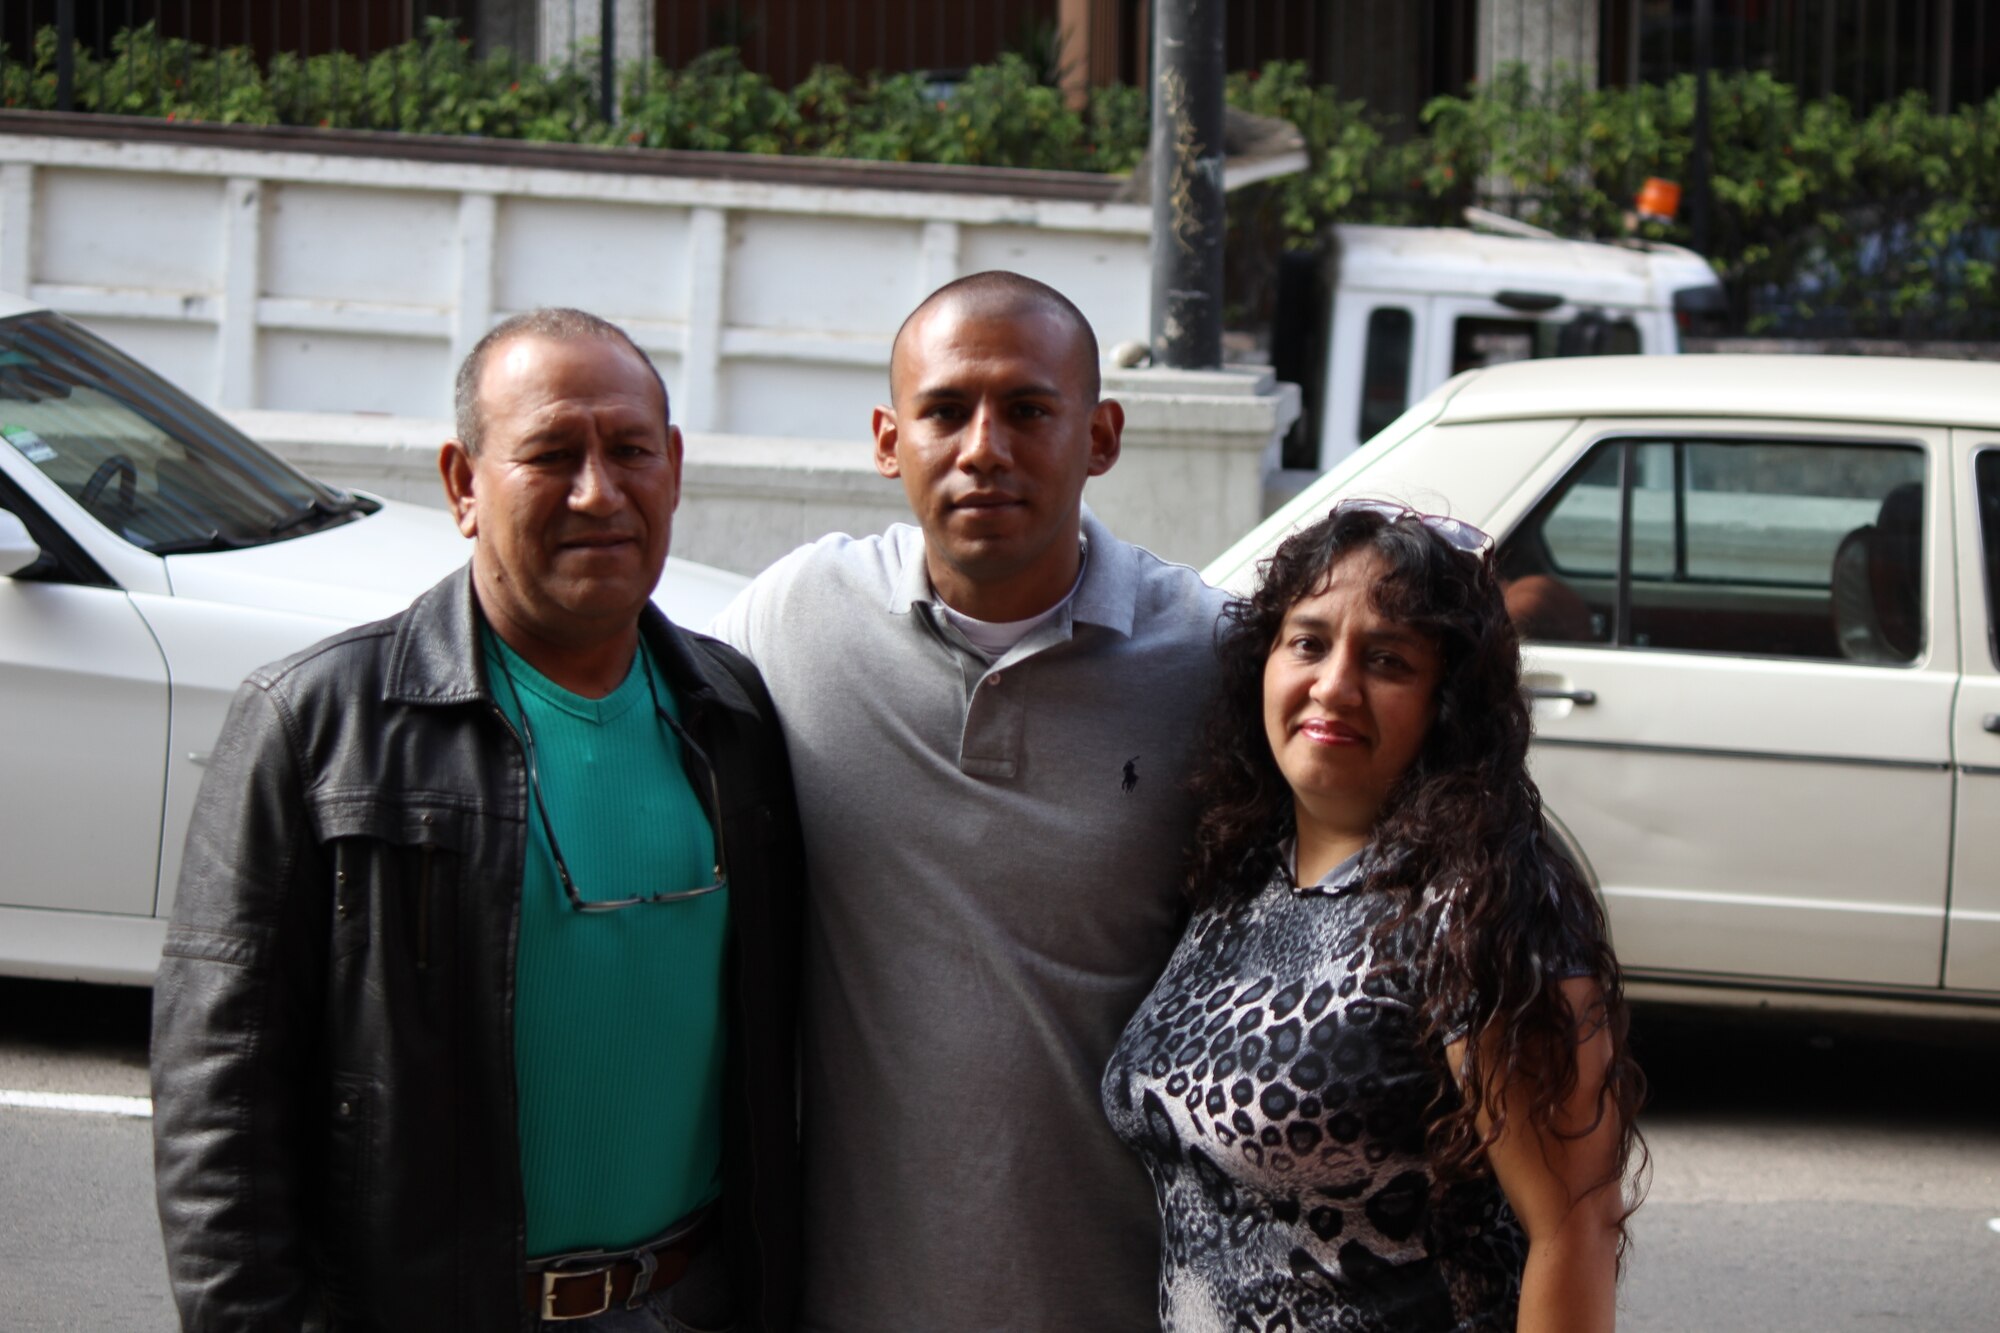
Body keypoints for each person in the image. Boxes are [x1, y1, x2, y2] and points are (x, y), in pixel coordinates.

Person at [151, 308, 804, 1332]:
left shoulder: (733, 716)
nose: (600, 491)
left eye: (630, 450)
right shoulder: (317, 724)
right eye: (550, 454)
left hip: (693, 1301)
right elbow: (219, 1106)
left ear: (672, 466)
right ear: (463, 483)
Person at [710, 271, 1225, 1330]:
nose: (982, 446)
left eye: (1028, 409)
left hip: (1120, 1300)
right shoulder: (793, 620)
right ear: (888, 438)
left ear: (1101, 435)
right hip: (847, 1299)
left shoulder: (1212, 658)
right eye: (944, 410)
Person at [1102, 499, 1644, 1332]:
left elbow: (1573, 1225)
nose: (1335, 684)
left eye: (1387, 659)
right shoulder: (1240, 870)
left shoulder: (1481, 900)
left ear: (1446, 701)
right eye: (1309, 642)